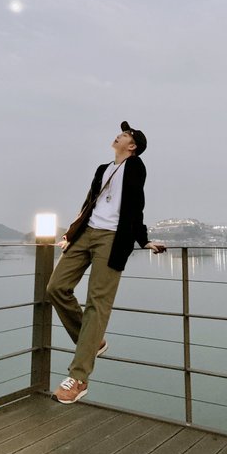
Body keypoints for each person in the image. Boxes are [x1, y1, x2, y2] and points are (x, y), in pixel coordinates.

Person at [46, 121, 166, 404]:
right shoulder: (103, 169)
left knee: (97, 304)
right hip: (86, 234)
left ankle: (78, 378)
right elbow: (88, 204)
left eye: (125, 134)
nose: (119, 135)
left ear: (132, 146)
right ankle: (92, 341)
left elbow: (136, 204)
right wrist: (70, 235)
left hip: (112, 239)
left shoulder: (135, 167)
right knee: (56, 287)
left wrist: (143, 239)